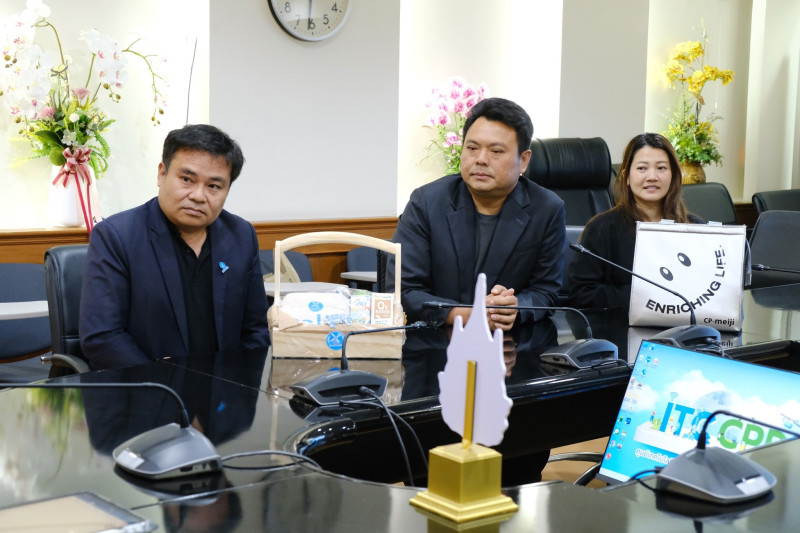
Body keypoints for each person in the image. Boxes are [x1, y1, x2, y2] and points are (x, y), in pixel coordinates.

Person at [79, 124, 270, 369]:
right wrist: (164, 386)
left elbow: (255, 331)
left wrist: (238, 384)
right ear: (162, 174)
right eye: (187, 179)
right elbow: (103, 338)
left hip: (225, 387)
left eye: (213, 186)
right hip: (147, 386)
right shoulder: (117, 236)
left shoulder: (241, 235)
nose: (198, 196)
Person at [393, 97, 566, 331]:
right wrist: (466, 314)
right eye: (472, 148)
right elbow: (403, 290)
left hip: (510, 343)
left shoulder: (546, 209)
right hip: (434, 340)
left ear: (524, 160)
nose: (481, 159)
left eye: (496, 151)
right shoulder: (426, 203)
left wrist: (514, 307)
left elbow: (546, 291)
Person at [567, 132, 701, 310]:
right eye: (642, 168)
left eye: (661, 168)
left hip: (685, 323)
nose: (652, 176)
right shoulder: (602, 229)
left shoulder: (696, 229)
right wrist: (644, 297)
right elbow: (581, 294)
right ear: (627, 176)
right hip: (620, 325)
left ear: (673, 175)